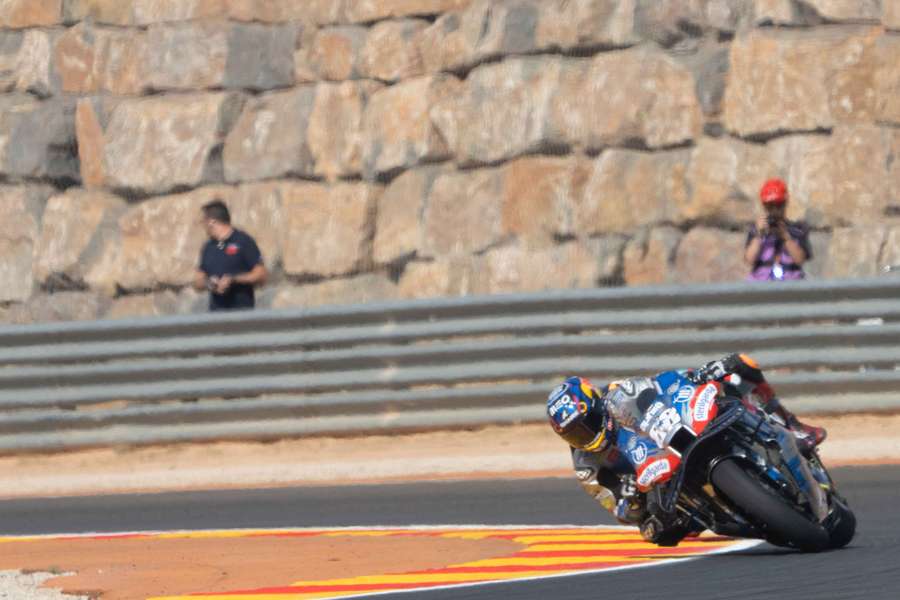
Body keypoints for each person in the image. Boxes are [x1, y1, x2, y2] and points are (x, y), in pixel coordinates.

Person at [546, 353, 827, 546]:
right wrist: (630, 502)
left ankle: (791, 424)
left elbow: (661, 386)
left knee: (741, 368)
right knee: (659, 532)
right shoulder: (585, 464)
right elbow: (615, 506)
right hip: (662, 483)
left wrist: (700, 376)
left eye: (588, 423)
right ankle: (743, 514)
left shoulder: (619, 392)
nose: (586, 435)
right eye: (575, 433)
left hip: (678, 430)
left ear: (597, 404)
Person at [193, 199, 268, 311]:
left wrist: (233, 279)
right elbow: (198, 280)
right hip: (216, 319)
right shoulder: (208, 247)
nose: (203, 225)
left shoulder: (243, 241)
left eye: (203, 221)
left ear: (211, 222)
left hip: (241, 316)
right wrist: (209, 283)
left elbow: (261, 275)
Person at [744, 178, 813, 281]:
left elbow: (800, 260)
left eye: (778, 206)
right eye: (770, 207)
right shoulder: (756, 230)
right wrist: (759, 235)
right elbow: (749, 260)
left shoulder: (798, 229)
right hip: (760, 284)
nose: (774, 211)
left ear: (785, 204)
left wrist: (785, 236)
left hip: (791, 284)